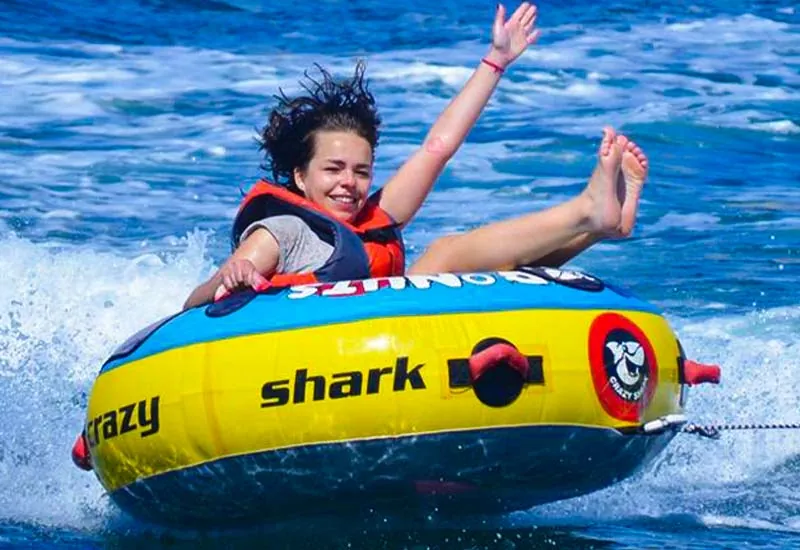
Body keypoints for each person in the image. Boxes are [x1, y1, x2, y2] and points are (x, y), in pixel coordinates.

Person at [183, 2, 649, 310]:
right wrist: (231, 275)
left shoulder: (374, 217)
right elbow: (194, 305)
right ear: (300, 178)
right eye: (333, 169)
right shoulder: (282, 233)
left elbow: (437, 148)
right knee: (445, 254)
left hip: (387, 354)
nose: (350, 182)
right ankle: (589, 211)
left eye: (361, 171)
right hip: (308, 366)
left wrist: (496, 61)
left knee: (476, 266)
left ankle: (596, 225)